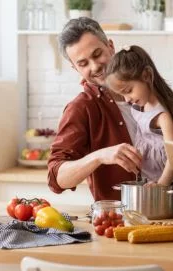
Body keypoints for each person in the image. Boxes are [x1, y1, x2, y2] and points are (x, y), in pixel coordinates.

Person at [47, 18, 143, 201]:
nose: (95, 66)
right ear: (75, 68)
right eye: (83, 64)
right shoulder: (81, 108)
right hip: (120, 219)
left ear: (111, 46)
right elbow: (56, 178)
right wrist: (99, 156)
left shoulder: (147, 87)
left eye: (97, 54)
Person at [105, 45, 173, 193]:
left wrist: (161, 186)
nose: (127, 99)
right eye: (122, 95)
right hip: (159, 180)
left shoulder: (162, 116)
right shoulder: (139, 107)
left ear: (146, 75)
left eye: (128, 91)